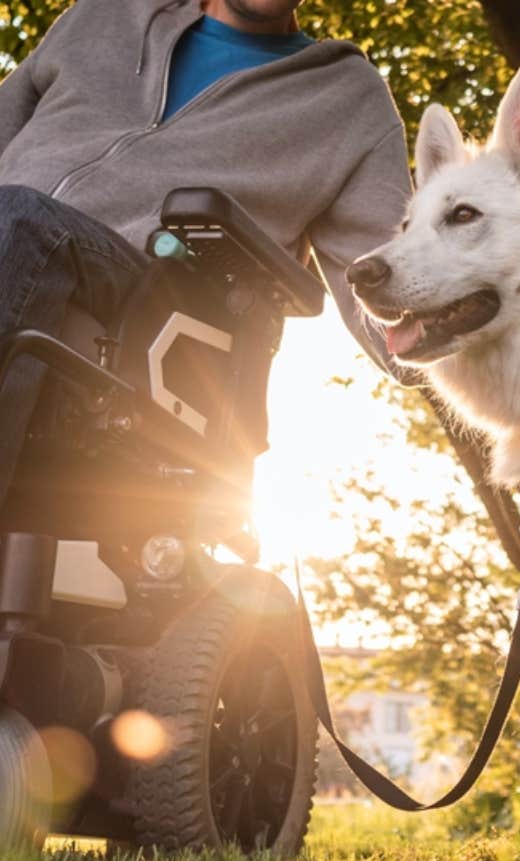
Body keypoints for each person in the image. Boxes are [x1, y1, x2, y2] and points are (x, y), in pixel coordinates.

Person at [0, 0, 412, 505]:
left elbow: (401, 288)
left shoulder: (347, 100)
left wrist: (499, 344)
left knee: (20, 221)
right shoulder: (107, 12)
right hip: (14, 233)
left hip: (145, 297)